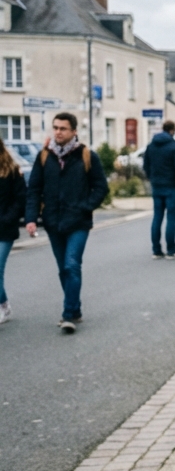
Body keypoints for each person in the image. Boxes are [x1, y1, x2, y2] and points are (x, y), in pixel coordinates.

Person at [25, 113, 107, 333]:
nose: (58, 132)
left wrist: (85, 206)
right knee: (63, 269)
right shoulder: (44, 157)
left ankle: (68, 314)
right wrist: (32, 218)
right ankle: (75, 307)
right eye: (55, 128)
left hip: (78, 221)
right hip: (53, 221)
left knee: (72, 264)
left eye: (63, 128)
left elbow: (101, 187)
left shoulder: (87, 156)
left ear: (73, 131)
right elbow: (34, 189)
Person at [142, 120, 175, 260]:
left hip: (157, 186)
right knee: (171, 219)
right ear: (172, 130)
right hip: (172, 186)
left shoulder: (151, 146)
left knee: (157, 217)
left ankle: (156, 250)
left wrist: (153, 178)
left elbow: (146, 165)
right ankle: (171, 250)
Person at [0, 136, 26, 324]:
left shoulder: (12, 170)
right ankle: (3, 302)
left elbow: (20, 199)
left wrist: (7, 219)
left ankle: (1, 308)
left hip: (4, 229)